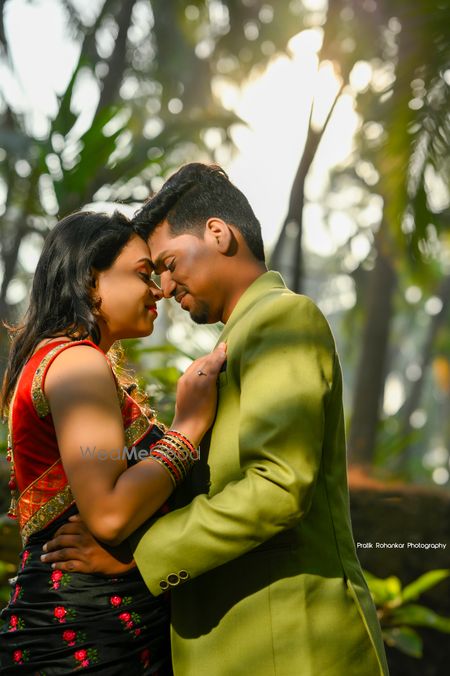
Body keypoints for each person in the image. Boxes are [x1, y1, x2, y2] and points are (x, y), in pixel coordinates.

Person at [41, 164, 389, 675]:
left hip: (292, 650)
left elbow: (278, 485)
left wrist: (140, 557)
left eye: (167, 263)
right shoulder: (232, 347)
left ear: (219, 234)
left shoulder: (283, 317)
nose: (163, 287)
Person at [0, 209, 226, 674]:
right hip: (86, 636)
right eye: (143, 274)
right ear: (90, 280)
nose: (159, 290)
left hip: (93, 624)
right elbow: (109, 513)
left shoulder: (59, 359)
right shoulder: (76, 363)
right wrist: (188, 428)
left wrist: (134, 557)